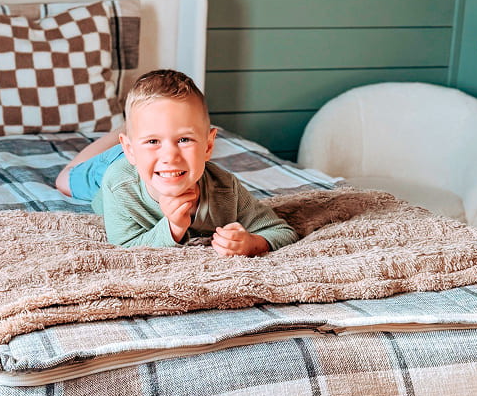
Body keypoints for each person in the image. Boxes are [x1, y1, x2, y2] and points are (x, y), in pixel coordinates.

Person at [55, 68, 298, 255]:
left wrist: (252, 243)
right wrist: (173, 228)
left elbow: (281, 231)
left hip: (145, 161)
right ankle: (113, 139)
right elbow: (125, 246)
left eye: (184, 139)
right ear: (131, 149)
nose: (170, 156)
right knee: (64, 181)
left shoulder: (226, 190)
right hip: (116, 165)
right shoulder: (119, 184)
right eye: (153, 140)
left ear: (208, 146)